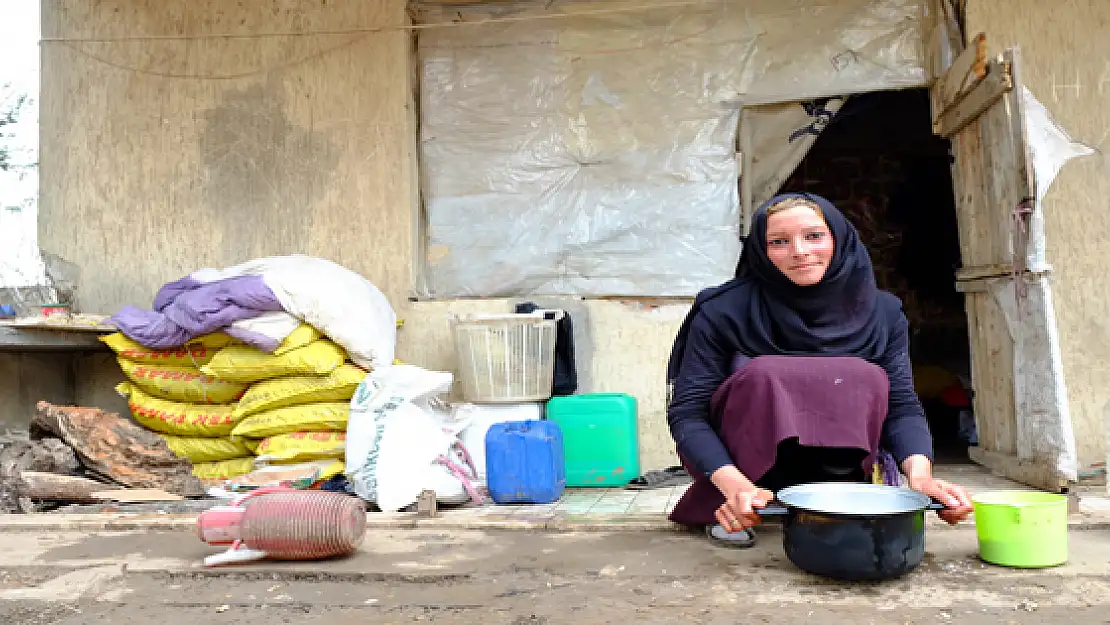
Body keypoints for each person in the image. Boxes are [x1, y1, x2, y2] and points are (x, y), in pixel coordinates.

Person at [665, 192, 974, 547]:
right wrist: (736, 487)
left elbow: (901, 404)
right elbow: (689, 414)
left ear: (839, 239)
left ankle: (836, 502)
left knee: (864, 376)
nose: (799, 251)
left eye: (813, 236)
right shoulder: (724, 310)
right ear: (761, 252)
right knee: (766, 375)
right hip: (743, 477)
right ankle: (739, 505)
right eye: (779, 242)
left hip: (841, 486)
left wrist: (920, 478)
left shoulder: (883, 313)